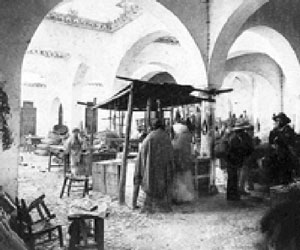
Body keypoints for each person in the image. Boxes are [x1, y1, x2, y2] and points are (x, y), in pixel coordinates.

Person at [132, 119, 174, 213]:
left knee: (139, 178)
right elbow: (171, 153)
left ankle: (134, 204)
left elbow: (142, 153)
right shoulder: (166, 137)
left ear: (152, 127)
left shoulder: (149, 137)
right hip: (163, 167)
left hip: (150, 166)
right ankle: (165, 204)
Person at [226, 121, 254, 201]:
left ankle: (234, 194)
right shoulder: (234, 138)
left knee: (234, 177)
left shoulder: (237, 137)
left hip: (235, 160)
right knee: (232, 177)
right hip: (232, 160)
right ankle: (232, 195)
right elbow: (235, 149)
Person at [171, 112, 195, 203]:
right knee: (185, 179)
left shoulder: (177, 139)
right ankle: (184, 197)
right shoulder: (186, 136)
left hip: (179, 160)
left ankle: (179, 197)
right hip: (185, 160)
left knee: (178, 179)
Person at [268, 112, 297, 185]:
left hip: (286, 154)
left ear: (283, 121)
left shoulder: (288, 130)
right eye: (277, 120)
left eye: (279, 120)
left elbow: (289, 141)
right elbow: (271, 141)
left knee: (286, 171)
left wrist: (279, 139)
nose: (277, 122)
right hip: (276, 154)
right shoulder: (274, 131)